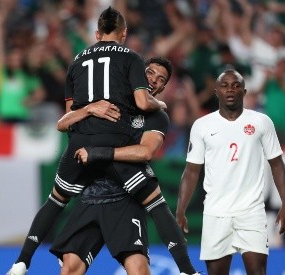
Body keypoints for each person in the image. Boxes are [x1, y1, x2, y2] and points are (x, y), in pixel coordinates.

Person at [6, 7, 164, 275]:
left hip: (83, 152)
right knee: (154, 213)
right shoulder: (133, 60)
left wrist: (88, 110)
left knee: (56, 200)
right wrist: (158, 103)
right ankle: (186, 268)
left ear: (96, 33)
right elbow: (141, 105)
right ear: (124, 34)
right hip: (113, 163)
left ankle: (22, 261)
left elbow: (67, 119)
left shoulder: (76, 62)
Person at [53, 57, 198, 275]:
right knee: (70, 268)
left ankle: (188, 270)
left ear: (163, 88)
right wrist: (88, 110)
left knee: (138, 270)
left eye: (160, 79)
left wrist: (98, 153)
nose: (153, 80)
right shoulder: (107, 100)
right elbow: (64, 123)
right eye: (150, 73)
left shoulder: (157, 117)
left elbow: (146, 152)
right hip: (92, 193)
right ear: (139, 73)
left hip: (125, 198)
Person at [176, 69, 285, 275]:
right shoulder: (202, 126)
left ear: (244, 91)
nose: (230, 89)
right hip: (216, 213)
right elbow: (191, 171)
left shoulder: (261, 122)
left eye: (236, 85)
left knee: (258, 272)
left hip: (252, 212)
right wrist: (180, 210)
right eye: (225, 85)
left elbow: (277, 164)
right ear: (216, 92)